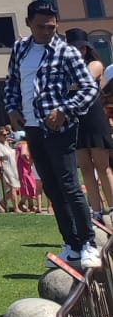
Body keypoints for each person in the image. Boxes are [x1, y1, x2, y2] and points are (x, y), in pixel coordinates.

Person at [3, 0, 101, 269]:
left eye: (51, 27)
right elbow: (11, 82)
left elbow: (89, 88)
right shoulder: (20, 49)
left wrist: (65, 110)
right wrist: (12, 110)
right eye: (41, 27)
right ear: (28, 24)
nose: (47, 32)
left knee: (70, 186)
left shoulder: (66, 52)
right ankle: (70, 244)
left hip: (60, 128)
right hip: (32, 127)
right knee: (52, 189)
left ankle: (88, 244)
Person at [65, 29, 113, 222]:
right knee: (85, 168)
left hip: (93, 117)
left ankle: (111, 207)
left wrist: (67, 84)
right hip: (75, 118)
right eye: (75, 47)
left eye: (82, 47)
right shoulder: (64, 66)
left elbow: (83, 81)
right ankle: (96, 211)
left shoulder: (95, 64)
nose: (80, 51)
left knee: (103, 166)